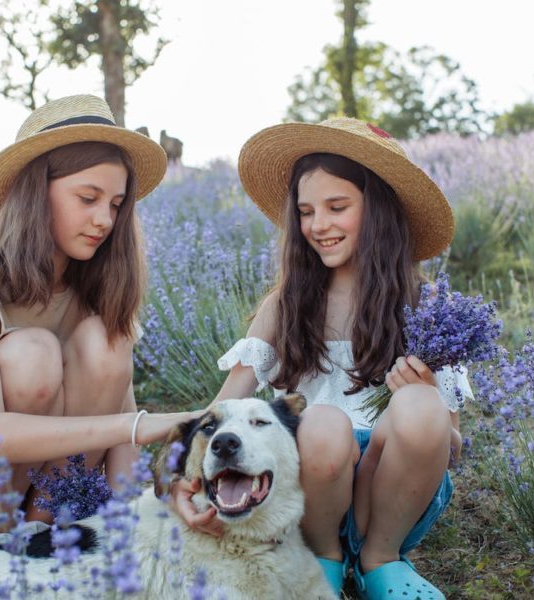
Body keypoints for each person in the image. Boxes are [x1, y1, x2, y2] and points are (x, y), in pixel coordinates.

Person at [172, 118, 472, 599]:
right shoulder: (286, 304)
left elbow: (451, 445)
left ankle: (382, 562)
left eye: (337, 207)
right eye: (306, 211)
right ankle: (320, 562)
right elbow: (225, 409)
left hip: (395, 494)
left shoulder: (425, 308)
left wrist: (428, 393)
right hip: (308, 493)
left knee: (420, 406)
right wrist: (183, 471)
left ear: (378, 212)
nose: (318, 225)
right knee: (323, 423)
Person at [0, 94, 201, 551]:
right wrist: (138, 426)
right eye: (88, 198)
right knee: (31, 354)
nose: (104, 219)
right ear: (38, 190)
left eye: (116, 204)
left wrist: (133, 528)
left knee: (106, 339)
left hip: (50, 488)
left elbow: (122, 413)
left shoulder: (100, 283)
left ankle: (42, 535)